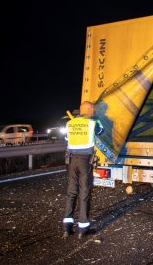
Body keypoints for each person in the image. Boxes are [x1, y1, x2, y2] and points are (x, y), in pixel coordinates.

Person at [62, 101, 103, 239]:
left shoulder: (69, 123)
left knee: (71, 193)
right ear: (89, 109)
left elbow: (66, 138)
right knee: (84, 193)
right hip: (85, 161)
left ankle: (67, 229)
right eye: (93, 109)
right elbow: (100, 131)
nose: (94, 112)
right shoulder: (92, 123)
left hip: (71, 161)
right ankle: (83, 229)